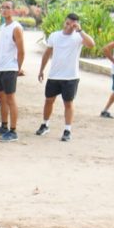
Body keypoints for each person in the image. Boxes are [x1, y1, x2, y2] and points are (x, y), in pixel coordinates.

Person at [36, 13, 94, 142]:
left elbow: (91, 44)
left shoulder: (78, 37)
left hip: (71, 77)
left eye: (72, 25)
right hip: (54, 75)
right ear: (64, 22)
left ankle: (67, 130)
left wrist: (80, 30)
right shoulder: (54, 36)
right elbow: (47, 53)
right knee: (49, 100)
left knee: (68, 102)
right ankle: (45, 124)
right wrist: (41, 70)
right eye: (67, 23)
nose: (69, 27)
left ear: (76, 25)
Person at [0, 1, 25, 142]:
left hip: (10, 68)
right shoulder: (3, 27)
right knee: (0, 96)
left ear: (13, 11)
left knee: (10, 98)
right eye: (2, 7)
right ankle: (4, 126)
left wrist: (18, 68)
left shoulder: (16, 28)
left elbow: (21, 51)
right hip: (1, 67)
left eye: (8, 8)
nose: (4, 10)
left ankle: (13, 131)